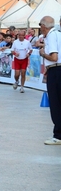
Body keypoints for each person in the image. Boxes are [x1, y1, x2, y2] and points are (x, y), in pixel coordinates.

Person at [39, 16, 61, 145]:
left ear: (44, 26)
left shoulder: (52, 36)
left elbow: (54, 57)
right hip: (57, 70)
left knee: (56, 104)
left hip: (56, 71)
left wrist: (42, 54)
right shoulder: (59, 34)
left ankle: (58, 135)